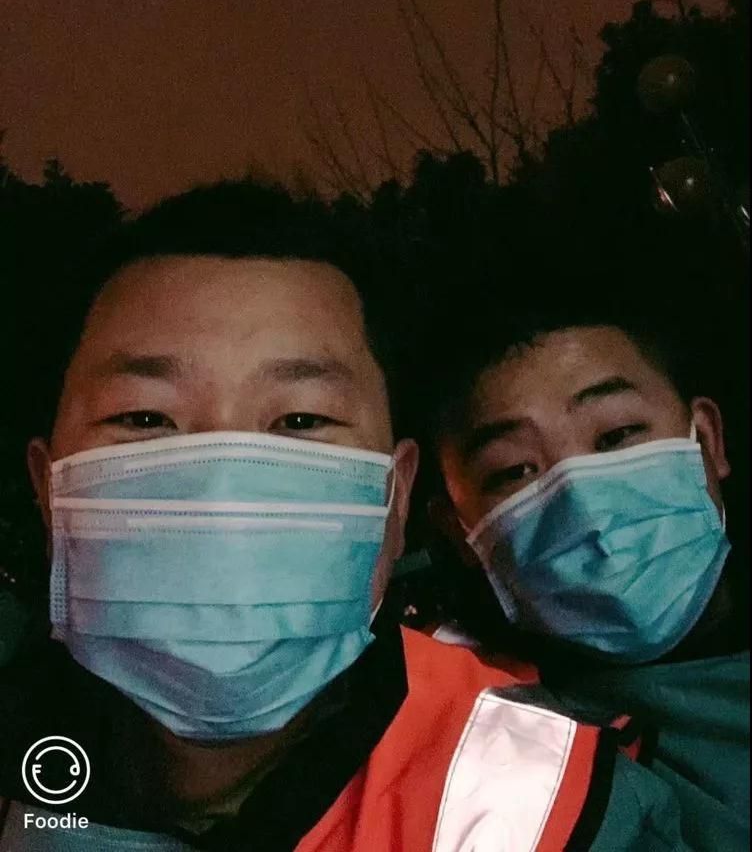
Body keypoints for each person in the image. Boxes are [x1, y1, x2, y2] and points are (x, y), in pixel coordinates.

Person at [0, 179, 667, 852]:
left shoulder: (542, 802)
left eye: (300, 420)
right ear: (46, 488)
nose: (226, 492)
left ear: (396, 496)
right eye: (145, 418)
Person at [426, 233, 750, 851]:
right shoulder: (505, 769)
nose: (585, 505)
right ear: (460, 532)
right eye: (514, 470)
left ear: (707, 441)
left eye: (617, 435)